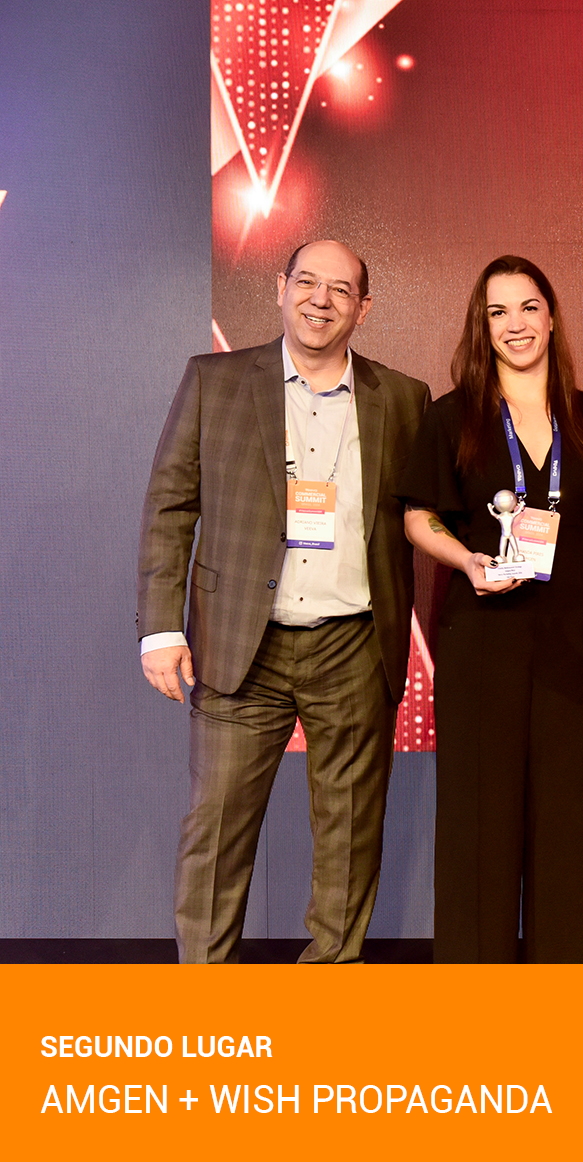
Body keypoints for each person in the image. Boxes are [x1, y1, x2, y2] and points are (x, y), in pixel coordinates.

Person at [137, 239, 428, 963]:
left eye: (340, 289)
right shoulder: (214, 381)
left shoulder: (404, 398)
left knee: (351, 832)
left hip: (354, 645)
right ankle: (207, 997)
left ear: (364, 308)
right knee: (217, 827)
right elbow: (170, 506)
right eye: (306, 282)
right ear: (280, 287)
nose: (320, 300)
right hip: (242, 643)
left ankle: (328, 986)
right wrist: (160, 629)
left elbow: (427, 512)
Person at [396, 256, 583, 963]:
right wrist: (466, 559)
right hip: (481, 633)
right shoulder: (453, 415)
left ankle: (562, 985)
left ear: (551, 317)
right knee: (478, 813)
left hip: (572, 636)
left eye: (528, 307)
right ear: (482, 327)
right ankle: (475, 986)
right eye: (497, 312)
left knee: (568, 813)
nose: (515, 324)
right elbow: (417, 515)